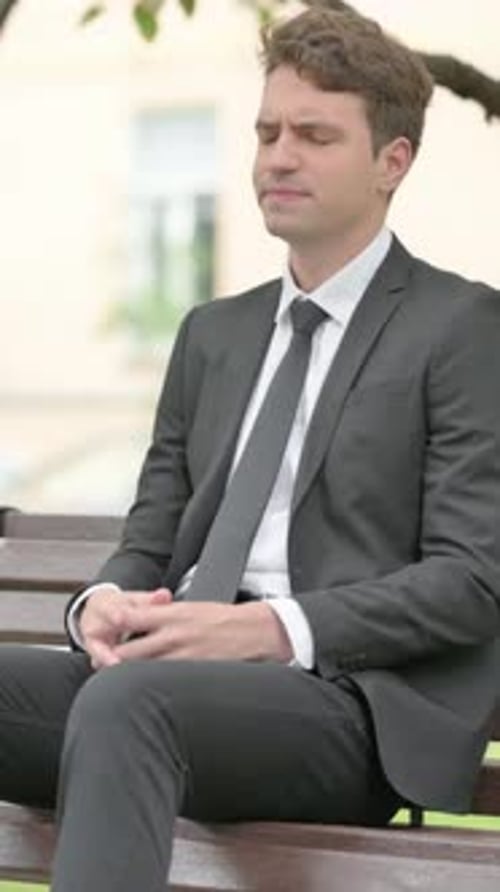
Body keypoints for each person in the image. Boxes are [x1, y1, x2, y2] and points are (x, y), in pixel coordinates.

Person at [1, 7, 499, 891]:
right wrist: (105, 605)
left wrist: (267, 628)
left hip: (345, 707)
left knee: (131, 704)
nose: (278, 156)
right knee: (123, 695)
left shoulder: (461, 327)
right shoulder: (212, 337)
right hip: (161, 688)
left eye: (314, 135)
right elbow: (149, 533)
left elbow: (471, 580)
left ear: (394, 161)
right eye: (268, 131)